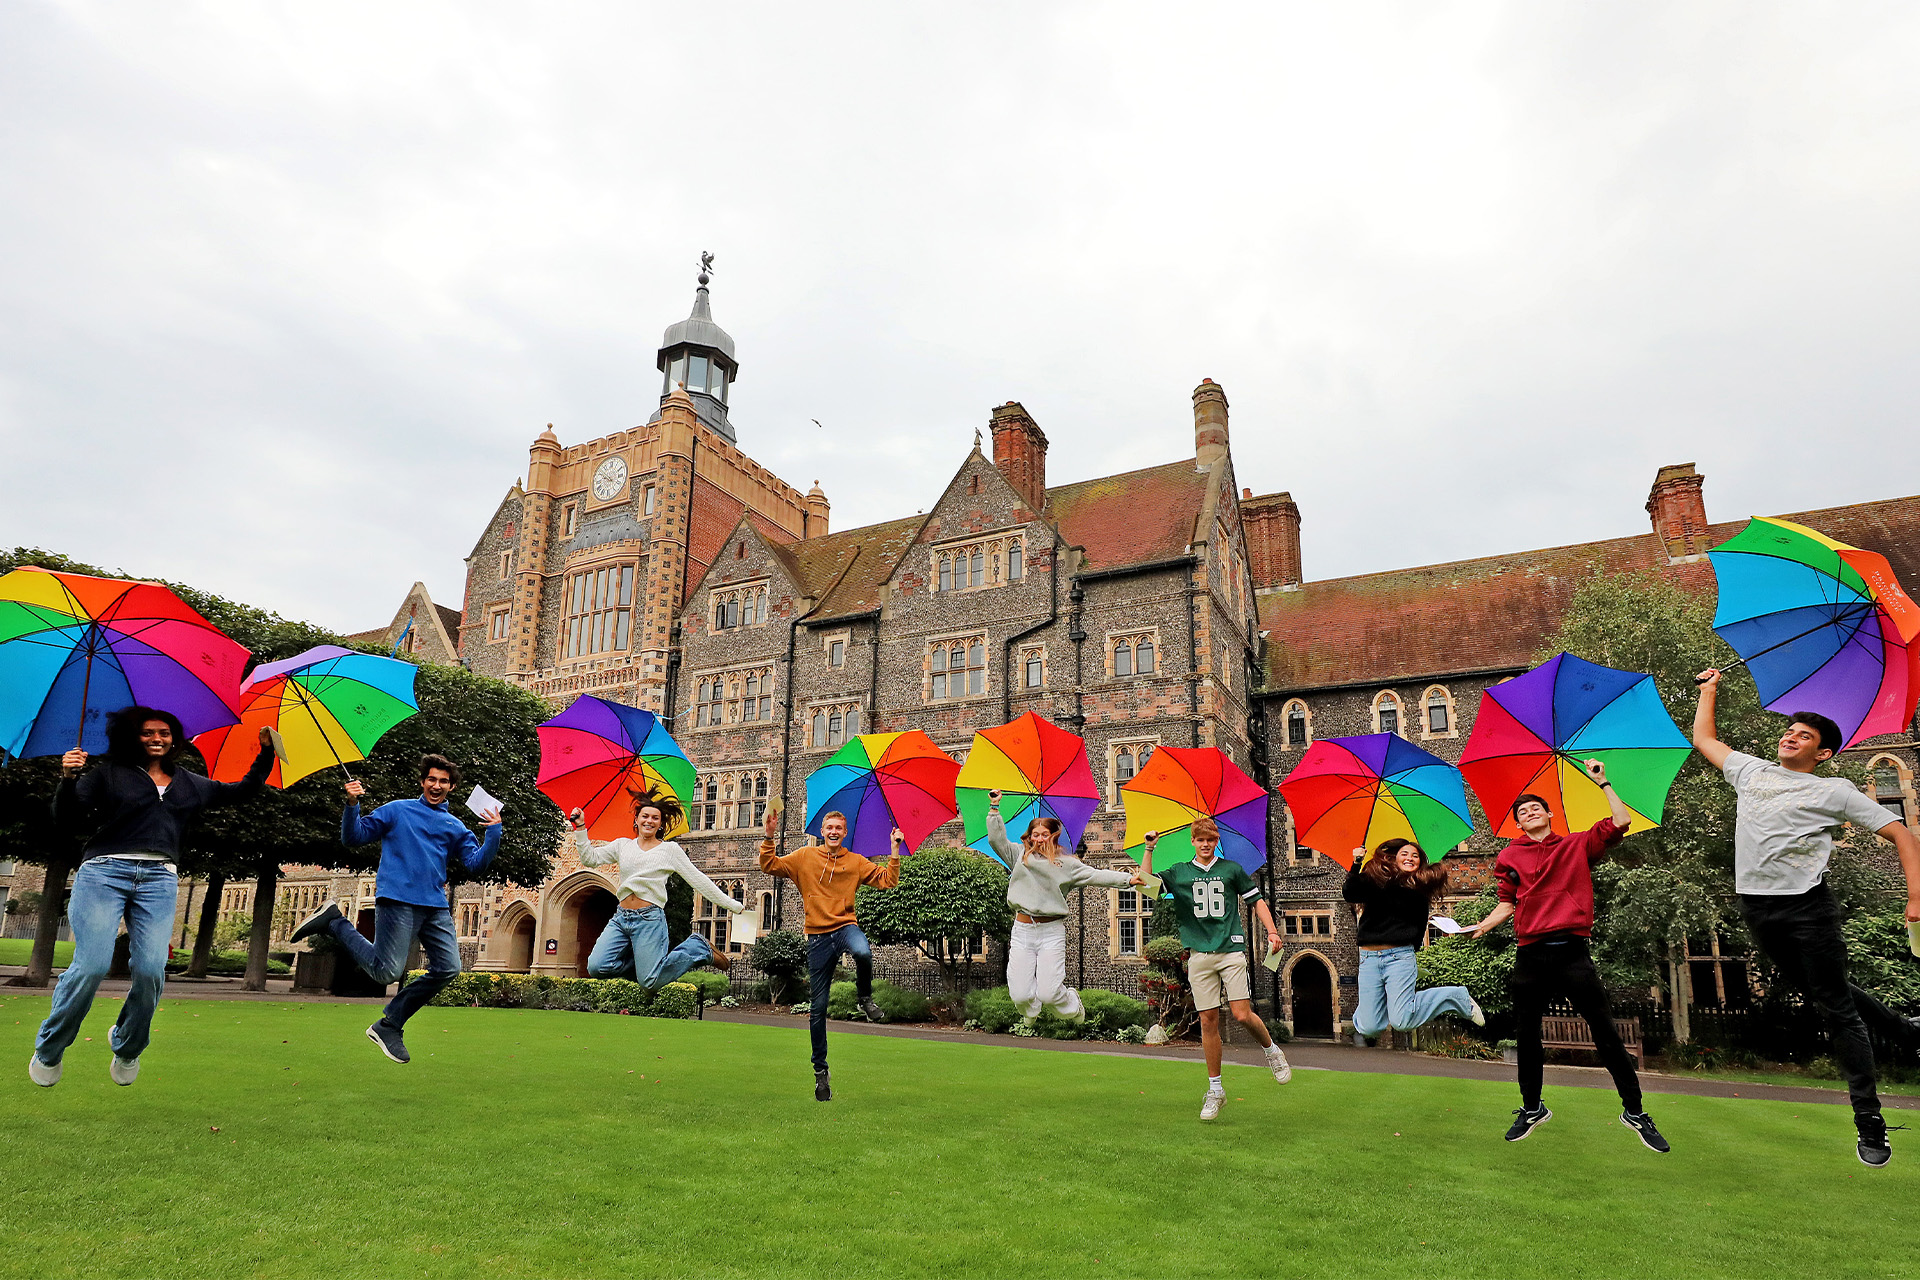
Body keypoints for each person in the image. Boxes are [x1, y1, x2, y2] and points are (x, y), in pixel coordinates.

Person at [1694, 669, 1920, 1167]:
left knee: (1836, 1008)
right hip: (1756, 906)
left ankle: (1870, 1122)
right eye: (1790, 730)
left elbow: (1903, 834)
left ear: (1821, 754)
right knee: (1824, 991)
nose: (1791, 736)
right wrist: (1709, 691)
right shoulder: (1751, 771)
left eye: (1805, 736)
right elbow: (1705, 738)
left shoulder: (1835, 790)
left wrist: (1916, 895)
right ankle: (1908, 1032)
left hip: (1806, 907)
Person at [30, 708, 274, 1087]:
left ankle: (127, 1045)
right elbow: (67, 818)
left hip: (159, 879)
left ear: (174, 739)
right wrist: (68, 777)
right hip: (104, 872)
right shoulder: (107, 774)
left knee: (150, 969)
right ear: (134, 737)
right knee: (92, 966)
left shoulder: (190, 783)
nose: (156, 738)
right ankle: (50, 1046)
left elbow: (239, 792)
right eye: (147, 733)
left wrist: (266, 753)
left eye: (164, 732)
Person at [1470, 759, 1668, 1152]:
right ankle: (1532, 1108)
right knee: (1527, 1037)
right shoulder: (1509, 858)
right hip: (1530, 954)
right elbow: (1506, 904)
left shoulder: (1577, 844)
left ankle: (1635, 1111)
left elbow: (1621, 822)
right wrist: (1479, 927)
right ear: (1519, 825)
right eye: (1521, 812)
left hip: (1572, 953)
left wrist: (1604, 782)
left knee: (1606, 1034)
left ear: (1549, 814)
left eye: (1534, 808)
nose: (1528, 812)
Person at [289, 754, 500, 1065]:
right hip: (398, 899)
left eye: (443, 781)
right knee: (386, 971)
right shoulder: (397, 810)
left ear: (452, 787)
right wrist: (351, 805)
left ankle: (388, 1025)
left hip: (435, 906)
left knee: (449, 968)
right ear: (422, 781)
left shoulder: (455, 826)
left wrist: (493, 833)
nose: (436, 785)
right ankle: (335, 923)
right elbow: (353, 837)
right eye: (431, 779)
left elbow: (475, 864)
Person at [1142, 817, 1291, 1120]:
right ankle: (1216, 1090)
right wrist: (1149, 849)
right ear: (1193, 842)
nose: (1206, 844)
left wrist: (1272, 932)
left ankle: (1272, 1050)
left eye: (1211, 839)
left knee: (1241, 1014)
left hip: (1230, 951)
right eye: (1201, 839)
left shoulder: (1231, 870)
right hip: (1199, 955)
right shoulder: (1180, 872)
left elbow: (1257, 902)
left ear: (1216, 840)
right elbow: (1146, 886)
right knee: (1208, 1021)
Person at [758, 805, 901, 1101]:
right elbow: (769, 866)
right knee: (818, 1008)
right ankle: (820, 1074)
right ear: (821, 832)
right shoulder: (804, 857)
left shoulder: (856, 862)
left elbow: (888, 880)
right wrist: (769, 835)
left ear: (845, 833)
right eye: (829, 828)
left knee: (863, 951)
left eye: (839, 828)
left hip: (846, 926)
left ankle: (864, 998)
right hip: (818, 937)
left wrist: (894, 849)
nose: (834, 832)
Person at [984, 790, 1144, 1025]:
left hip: (1051, 932)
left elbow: (1096, 875)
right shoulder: (1018, 856)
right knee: (1019, 994)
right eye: (1035, 834)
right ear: (1029, 836)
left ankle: (1071, 1004)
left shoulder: (1067, 864)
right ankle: (1030, 1010)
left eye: (1044, 834)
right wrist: (994, 808)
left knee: (1049, 993)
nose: (1039, 839)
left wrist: (1128, 880)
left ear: (1052, 836)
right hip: (1022, 930)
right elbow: (996, 840)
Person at [568, 790, 751, 988]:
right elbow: (590, 859)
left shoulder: (669, 851)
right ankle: (646, 967)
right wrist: (580, 828)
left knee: (649, 982)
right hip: (621, 918)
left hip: (649, 920)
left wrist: (733, 906)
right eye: (645, 816)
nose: (649, 821)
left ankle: (698, 949)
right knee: (597, 967)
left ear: (661, 824)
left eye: (655, 818)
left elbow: (698, 880)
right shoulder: (622, 845)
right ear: (636, 820)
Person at [1343, 838, 1483, 1042]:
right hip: (1368, 959)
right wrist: (1357, 863)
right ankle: (1368, 1012)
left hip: (1399, 958)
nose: (1410, 858)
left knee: (1402, 1021)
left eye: (1415, 856)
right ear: (1394, 858)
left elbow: (1418, 928)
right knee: (1370, 1028)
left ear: (1420, 863)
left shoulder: (1419, 890)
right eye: (1404, 854)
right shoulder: (1375, 881)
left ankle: (1457, 996)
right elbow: (1350, 893)